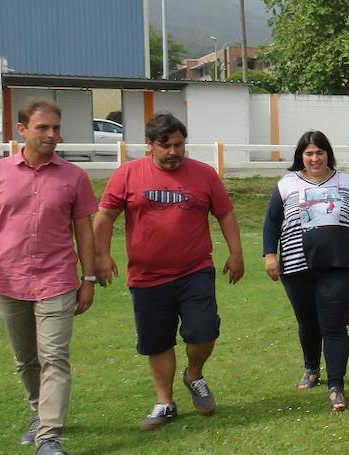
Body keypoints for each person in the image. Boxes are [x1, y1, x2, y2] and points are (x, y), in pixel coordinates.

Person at [0, 99, 98, 455]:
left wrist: (88, 278)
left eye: (56, 128)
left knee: (54, 356)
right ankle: (40, 413)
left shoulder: (74, 177)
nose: (52, 135)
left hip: (57, 278)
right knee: (26, 359)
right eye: (43, 128)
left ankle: (49, 436)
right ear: (21, 130)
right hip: (9, 280)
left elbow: (84, 231)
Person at [93, 112, 245, 430]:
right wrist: (102, 255)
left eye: (179, 145)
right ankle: (165, 403)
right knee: (157, 341)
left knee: (204, 331)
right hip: (146, 276)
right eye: (166, 146)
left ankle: (194, 374)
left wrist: (236, 253)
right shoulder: (128, 174)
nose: (174, 152)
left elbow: (225, 214)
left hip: (195, 270)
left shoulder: (204, 174)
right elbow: (105, 216)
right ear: (149, 144)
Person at [263, 131, 349, 411]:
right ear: (301, 156)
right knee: (307, 321)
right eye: (309, 153)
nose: (315, 158)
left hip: (340, 264)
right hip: (296, 264)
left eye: (320, 152)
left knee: (333, 325)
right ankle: (312, 368)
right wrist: (270, 255)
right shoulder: (287, 184)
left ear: (328, 154)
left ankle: (336, 386)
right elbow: (272, 222)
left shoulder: (347, 182)